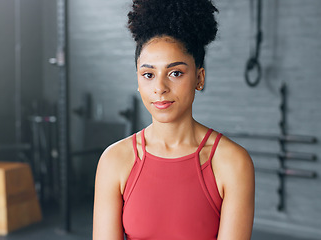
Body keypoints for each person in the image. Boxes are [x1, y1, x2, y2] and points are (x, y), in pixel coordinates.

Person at [93, 0, 254, 239]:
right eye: (148, 74)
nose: (160, 87)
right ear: (138, 81)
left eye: (175, 73)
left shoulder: (232, 163)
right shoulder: (114, 161)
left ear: (199, 78)